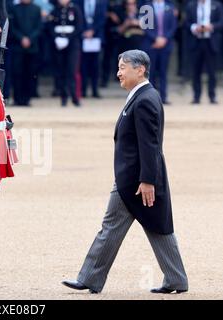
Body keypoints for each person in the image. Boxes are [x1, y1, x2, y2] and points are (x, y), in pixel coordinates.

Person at [62, 50, 188, 294]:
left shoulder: (144, 99)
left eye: (123, 67)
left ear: (140, 70)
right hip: (134, 177)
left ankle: (89, 278)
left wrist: (148, 180)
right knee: (154, 226)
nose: (118, 72)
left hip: (135, 180)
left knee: (129, 227)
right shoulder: (142, 96)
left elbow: (150, 144)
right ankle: (175, 279)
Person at [185, 0, 223, 104]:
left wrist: (211, 27)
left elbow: (221, 22)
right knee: (196, 71)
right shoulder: (191, 5)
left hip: (211, 42)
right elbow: (186, 23)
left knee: (212, 71)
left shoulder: (217, 5)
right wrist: (194, 27)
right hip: (196, 42)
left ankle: (212, 96)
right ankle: (196, 97)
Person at [49, 0, 84, 106]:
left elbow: (79, 26)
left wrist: (68, 38)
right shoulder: (55, 10)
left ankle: (74, 97)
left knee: (71, 71)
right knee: (61, 71)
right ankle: (63, 97)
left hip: (72, 44)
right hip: (58, 44)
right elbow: (50, 26)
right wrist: (56, 38)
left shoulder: (75, 9)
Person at [143, 0, 177, 105]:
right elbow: (146, 27)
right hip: (151, 44)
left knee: (163, 72)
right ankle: (151, 98)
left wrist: (164, 39)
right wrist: (156, 39)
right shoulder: (147, 7)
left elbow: (173, 26)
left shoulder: (170, 7)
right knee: (150, 72)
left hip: (166, 44)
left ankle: (163, 97)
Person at [9, 0, 43, 106]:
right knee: (17, 73)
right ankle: (17, 98)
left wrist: (30, 39)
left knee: (30, 73)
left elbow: (39, 27)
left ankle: (27, 99)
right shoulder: (14, 8)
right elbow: (12, 27)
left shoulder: (37, 9)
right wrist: (21, 38)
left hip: (32, 48)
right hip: (17, 46)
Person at [79, 0, 108, 98]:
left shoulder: (102, 2)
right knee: (83, 65)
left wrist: (93, 30)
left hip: (97, 38)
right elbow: (78, 17)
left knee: (96, 66)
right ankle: (83, 90)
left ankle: (95, 90)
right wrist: (84, 31)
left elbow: (102, 19)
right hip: (83, 37)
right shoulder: (79, 2)